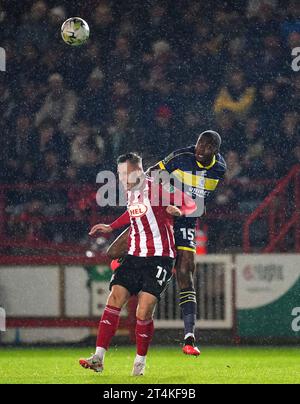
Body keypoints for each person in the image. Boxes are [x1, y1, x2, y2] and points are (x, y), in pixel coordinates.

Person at [106, 131, 226, 356]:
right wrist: (171, 195)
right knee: (112, 252)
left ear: (215, 151)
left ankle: (189, 337)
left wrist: (188, 204)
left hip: (186, 220)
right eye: (199, 145)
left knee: (185, 273)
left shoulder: (220, 168)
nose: (200, 150)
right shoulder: (181, 157)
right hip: (160, 215)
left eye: (206, 148)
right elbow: (152, 174)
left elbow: (199, 198)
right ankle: (128, 262)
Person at [79, 152, 196, 376]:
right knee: (114, 298)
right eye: (120, 173)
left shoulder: (160, 187)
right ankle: (98, 357)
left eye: (125, 173)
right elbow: (133, 214)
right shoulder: (130, 191)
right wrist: (111, 226)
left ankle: (139, 364)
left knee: (144, 311)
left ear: (138, 171)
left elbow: (191, 204)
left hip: (160, 257)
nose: (122, 177)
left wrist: (178, 211)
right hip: (134, 255)